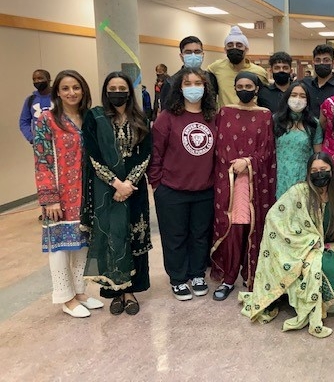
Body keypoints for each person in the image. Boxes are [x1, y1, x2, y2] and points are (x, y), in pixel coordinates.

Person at [239, 153, 334, 338]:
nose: (319, 174)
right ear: (309, 173)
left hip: (323, 243)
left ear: (331, 170)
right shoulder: (299, 191)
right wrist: (305, 241)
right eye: (314, 171)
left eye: (323, 170)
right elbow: (274, 217)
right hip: (300, 246)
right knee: (326, 266)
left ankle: (329, 304)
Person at [81, 72, 152, 316]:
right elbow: (93, 154)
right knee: (111, 237)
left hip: (134, 190)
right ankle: (114, 291)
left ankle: (130, 292)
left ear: (129, 92)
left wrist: (128, 184)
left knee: (133, 237)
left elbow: (146, 154)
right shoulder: (95, 117)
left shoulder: (140, 118)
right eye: (112, 89)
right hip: (106, 190)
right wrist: (115, 183)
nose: (117, 92)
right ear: (105, 91)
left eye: (122, 88)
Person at [33, 69, 99, 318]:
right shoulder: (47, 119)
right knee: (60, 247)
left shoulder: (89, 117)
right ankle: (66, 298)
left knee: (83, 245)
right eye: (65, 88)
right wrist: (49, 198)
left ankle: (80, 292)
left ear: (83, 90)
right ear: (57, 93)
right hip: (60, 196)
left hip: (86, 193)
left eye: (76, 87)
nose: (71, 93)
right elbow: (42, 160)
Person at [148, 67, 217, 301]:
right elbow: (155, 152)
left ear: (206, 88)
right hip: (172, 190)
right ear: (179, 88)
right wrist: (157, 184)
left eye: (198, 83)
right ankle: (177, 278)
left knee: (200, 235)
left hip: (204, 189)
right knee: (174, 237)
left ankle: (197, 274)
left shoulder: (212, 117)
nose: (193, 88)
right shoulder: (167, 117)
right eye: (188, 83)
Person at [211, 71, 276, 300]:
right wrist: (232, 167)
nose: (244, 90)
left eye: (249, 86)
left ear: (257, 89)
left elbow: (267, 150)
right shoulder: (225, 112)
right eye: (240, 86)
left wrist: (247, 162)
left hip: (254, 181)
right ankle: (229, 278)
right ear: (235, 88)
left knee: (252, 228)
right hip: (228, 180)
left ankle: (252, 276)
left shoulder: (265, 115)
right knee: (233, 228)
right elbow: (219, 147)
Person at [273, 81, 323, 198]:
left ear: (307, 100)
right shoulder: (276, 121)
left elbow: (318, 154)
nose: (298, 99)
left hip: (303, 178)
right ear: (287, 97)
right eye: (294, 95)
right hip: (279, 177)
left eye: (302, 96)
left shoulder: (313, 124)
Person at [207, 26, 268, 107]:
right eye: (230, 46)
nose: (234, 48)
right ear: (225, 50)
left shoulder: (259, 72)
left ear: (246, 50)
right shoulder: (217, 66)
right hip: (225, 113)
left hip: (251, 113)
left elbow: (266, 95)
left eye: (239, 46)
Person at [160, 36, 210, 111]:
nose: (193, 55)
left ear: (202, 55)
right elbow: (166, 112)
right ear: (181, 56)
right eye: (188, 52)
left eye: (197, 52)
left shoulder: (210, 79)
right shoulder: (170, 83)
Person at [302, 44, 334, 118]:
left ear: (333, 63)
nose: (321, 63)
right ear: (313, 63)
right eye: (318, 60)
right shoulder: (304, 85)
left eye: (326, 60)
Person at [19, 69, 52, 144]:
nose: (37, 81)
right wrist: (31, 138)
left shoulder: (59, 97)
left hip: (60, 141)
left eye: (40, 78)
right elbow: (24, 122)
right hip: (40, 143)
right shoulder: (30, 100)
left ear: (48, 79)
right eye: (34, 79)